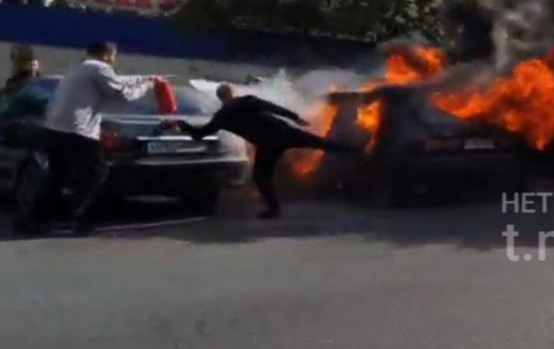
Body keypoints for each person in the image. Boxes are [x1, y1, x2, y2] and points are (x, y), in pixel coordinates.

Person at [162, 84, 352, 219]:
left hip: (266, 145)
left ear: (220, 97)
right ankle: (356, 151)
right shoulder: (247, 101)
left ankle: (273, 210)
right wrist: (295, 117)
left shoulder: (222, 117)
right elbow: (273, 108)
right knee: (320, 143)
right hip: (284, 133)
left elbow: (199, 134)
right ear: (232, 92)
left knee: (261, 178)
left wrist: (178, 124)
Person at [38, 41, 155, 233]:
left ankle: (37, 218)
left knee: (56, 175)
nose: (114, 60)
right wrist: (146, 87)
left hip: (54, 127)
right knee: (96, 172)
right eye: (114, 55)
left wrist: (140, 79)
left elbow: (117, 82)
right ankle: (73, 217)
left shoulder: (78, 67)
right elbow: (122, 95)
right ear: (107, 55)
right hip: (78, 129)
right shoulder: (101, 68)